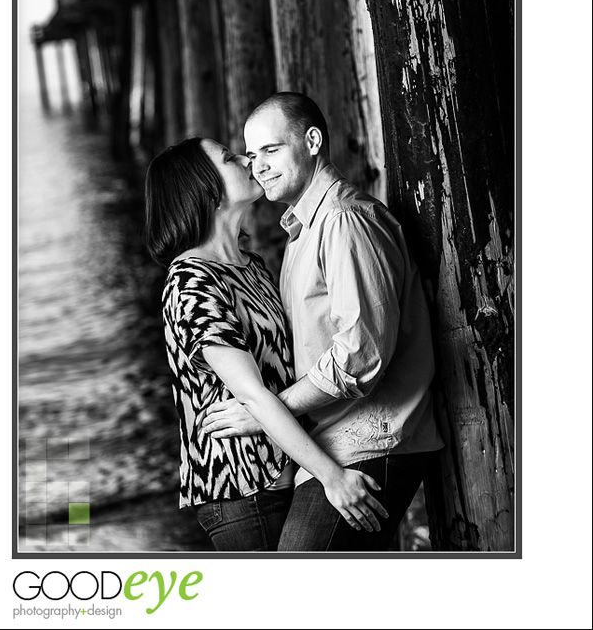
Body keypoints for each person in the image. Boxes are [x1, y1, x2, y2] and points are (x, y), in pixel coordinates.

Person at [201, 93, 444, 551]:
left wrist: (267, 411)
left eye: (271, 151)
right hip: (330, 446)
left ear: (312, 141)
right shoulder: (302, 231)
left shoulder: (344, 221)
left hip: (374, 439)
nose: (257, 167)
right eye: (251, 156)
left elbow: (360, 356)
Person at [144, 135, 388, 551]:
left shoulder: (250, 265)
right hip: (241, 492)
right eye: (229, 157)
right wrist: (333, 477)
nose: (246, 159)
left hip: (285, 470)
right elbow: (254, 395)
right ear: (205, 188)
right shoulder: (190, 280)